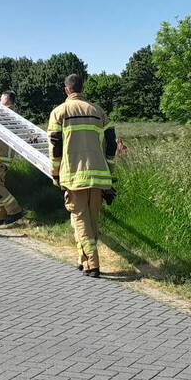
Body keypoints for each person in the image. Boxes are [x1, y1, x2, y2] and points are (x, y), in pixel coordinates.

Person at [47, 74, 117, 278]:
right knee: (92, 220)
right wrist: (110, 171)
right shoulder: (98, 111)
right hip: (98, 175)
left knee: (79, 220)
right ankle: (83, 259)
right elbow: (111, 143)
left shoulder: (59, 112)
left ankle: (93, 263)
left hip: (73, 175)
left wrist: (54, 173)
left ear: (67, 90)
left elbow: (55, 146)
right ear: (81, 89)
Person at [0, 91, 25, 226]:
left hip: (0, 155)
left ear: (7, 100)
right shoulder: (4, 113)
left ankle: (15, 210)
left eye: (1, 99)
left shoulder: (7, 113)